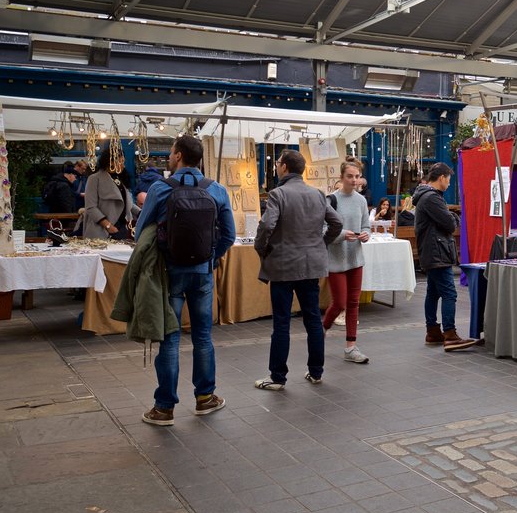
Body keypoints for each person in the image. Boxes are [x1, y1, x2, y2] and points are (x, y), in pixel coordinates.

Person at [136, 135, 236, 426]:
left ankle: (164, 407)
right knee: (203, 335)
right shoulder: (216, 189)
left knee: (170, 338)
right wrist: (211, 258)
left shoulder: (159, 189)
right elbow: (229, 234)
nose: (169, 157)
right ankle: (205, 398)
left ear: (178, 156)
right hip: (202, 273)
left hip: (169, 273)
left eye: (170, 153)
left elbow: (141, 231)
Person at [254, 150, 343, 390]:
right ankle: (316, 371)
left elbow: (266, 225)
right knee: (313, 318)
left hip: (283, 265)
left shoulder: (278, 194)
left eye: (278, 163)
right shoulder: (317, 194)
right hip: (310, 265)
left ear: (284, 167)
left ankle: (277, 376)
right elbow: (337, 223)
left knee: (281, 322)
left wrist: (261, 248)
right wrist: (321, 243)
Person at [413, 162, 476, 351]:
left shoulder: (426, 196)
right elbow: (449, 224)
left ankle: (432, 332)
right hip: (437, 252)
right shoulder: (432, 198)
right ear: (441, 178)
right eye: (448, 180)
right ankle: (450, 334)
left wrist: (449, 217)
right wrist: (454, 217)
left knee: (432, 293)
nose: (449, 184)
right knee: (449, 293)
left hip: (432, 251)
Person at [322, 156, 371, 364]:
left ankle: (351, 346)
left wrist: (366, 234)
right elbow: (323, 230)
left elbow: (366, 225)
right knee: (340, 302)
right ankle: (322, 328)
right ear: (341, 177)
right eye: (350, 176)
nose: (354, 180)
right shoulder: (331, 200)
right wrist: (343, 235)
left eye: (357, 176)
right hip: (336, 258)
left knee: (353, 303)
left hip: (355, 257)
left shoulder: (361, 201)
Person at [82, 144, 136, 240]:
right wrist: (108, 226)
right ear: (111, 162)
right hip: (101, 229)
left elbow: (128, 203)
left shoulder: (119, 179)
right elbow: (90, 207)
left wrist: (141, 213)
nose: (124, 165)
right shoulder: (94, 179)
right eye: (121, 161)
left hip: (122, 228)